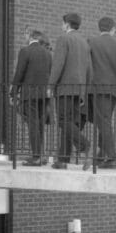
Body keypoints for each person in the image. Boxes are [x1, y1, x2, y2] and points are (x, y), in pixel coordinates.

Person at [49, 12, 91, 169]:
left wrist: (50, 86)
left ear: (67, 24)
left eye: (62, 23)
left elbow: (58, 65)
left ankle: (85, 145)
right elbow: (89, 70)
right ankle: (63, 159)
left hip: (65, 88)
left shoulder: (64, 39)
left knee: (62, 121)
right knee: (69, 123)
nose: (61, 26)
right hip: (78, 89)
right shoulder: (84, 43)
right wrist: (83, 93)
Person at [89, 17, 116, 168]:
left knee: (103, 122)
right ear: (113, 29)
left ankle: (111, 158)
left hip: (98, 88)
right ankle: (100, 156)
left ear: (99, 28)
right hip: (114, 90)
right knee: (104, 121)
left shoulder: (91, 42)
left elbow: (88, 67)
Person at [11, 29, 52, 166]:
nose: (24, 37)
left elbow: (19, 73)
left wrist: (13, 92)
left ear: (30, 37)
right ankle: (41, 155)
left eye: (25, 35)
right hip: (44, 94)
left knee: (33, 124)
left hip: (30, 94)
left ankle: (36, 157)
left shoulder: (25, 51)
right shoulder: (47, 53)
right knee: (40, 124)